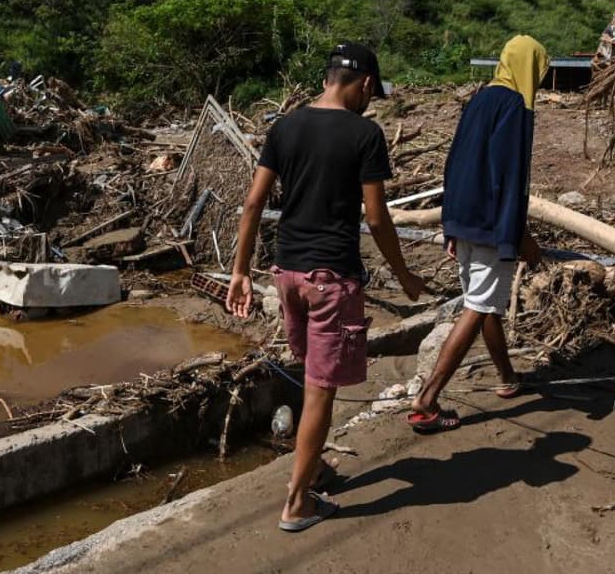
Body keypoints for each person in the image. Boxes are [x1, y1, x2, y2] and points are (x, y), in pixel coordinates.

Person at [226, 42, 425, 531]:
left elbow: (252, 205)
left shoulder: (285, 126)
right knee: (320, 391)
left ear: (327, 77)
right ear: (366, 85)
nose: (371, 101)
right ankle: (298, 503)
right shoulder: (365, 133)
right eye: (372, 93)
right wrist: (404, 276)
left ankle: (312, 466)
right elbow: (377, 219)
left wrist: (240, 271)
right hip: (331, 279)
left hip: (287, 274)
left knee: (309, 374)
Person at [407, 35, 549, 433]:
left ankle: (507, 377)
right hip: (490, 222)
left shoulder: (480, 100)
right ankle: (427, 398)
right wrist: (516, 235)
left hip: (465, 217)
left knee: (482, 301)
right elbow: (510, 177)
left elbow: (455, 162)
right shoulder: (515, 107)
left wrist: (450, 223)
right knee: (480, 306)